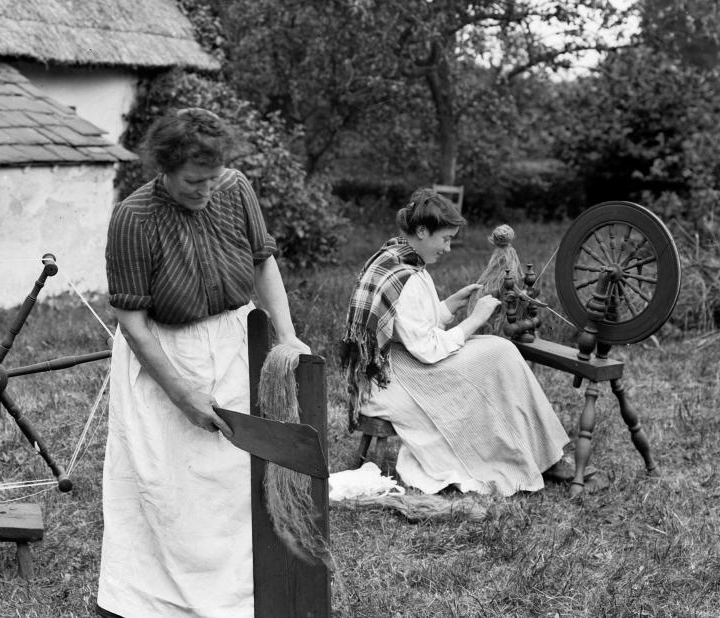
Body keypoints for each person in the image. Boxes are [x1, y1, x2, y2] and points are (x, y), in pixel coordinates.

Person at [96, 108, 309, 618]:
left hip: (235, 341)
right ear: (164, 169)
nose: (206, 189)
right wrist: (182, 393)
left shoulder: (235, 190)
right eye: (194, 181)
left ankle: (235, 598)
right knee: (170, 484)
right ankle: (155, 601)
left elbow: (262, 261)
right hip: (165, 354)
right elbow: (133, 319)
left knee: (233, 478)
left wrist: (288, 336)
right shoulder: (134, 217)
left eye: (213, 177)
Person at [340, 188, 570, 497]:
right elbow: (426, 348)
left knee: (497, 353)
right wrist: (474, 318)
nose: (449, 248)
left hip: (395, 362)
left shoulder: (397, 257)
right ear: (422, 231)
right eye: (446, 239)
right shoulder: (405, 274)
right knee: (499, 354)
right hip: (390, 381)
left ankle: (539, 450)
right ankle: (535, 453)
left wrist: (450, 304)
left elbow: (412, 324)